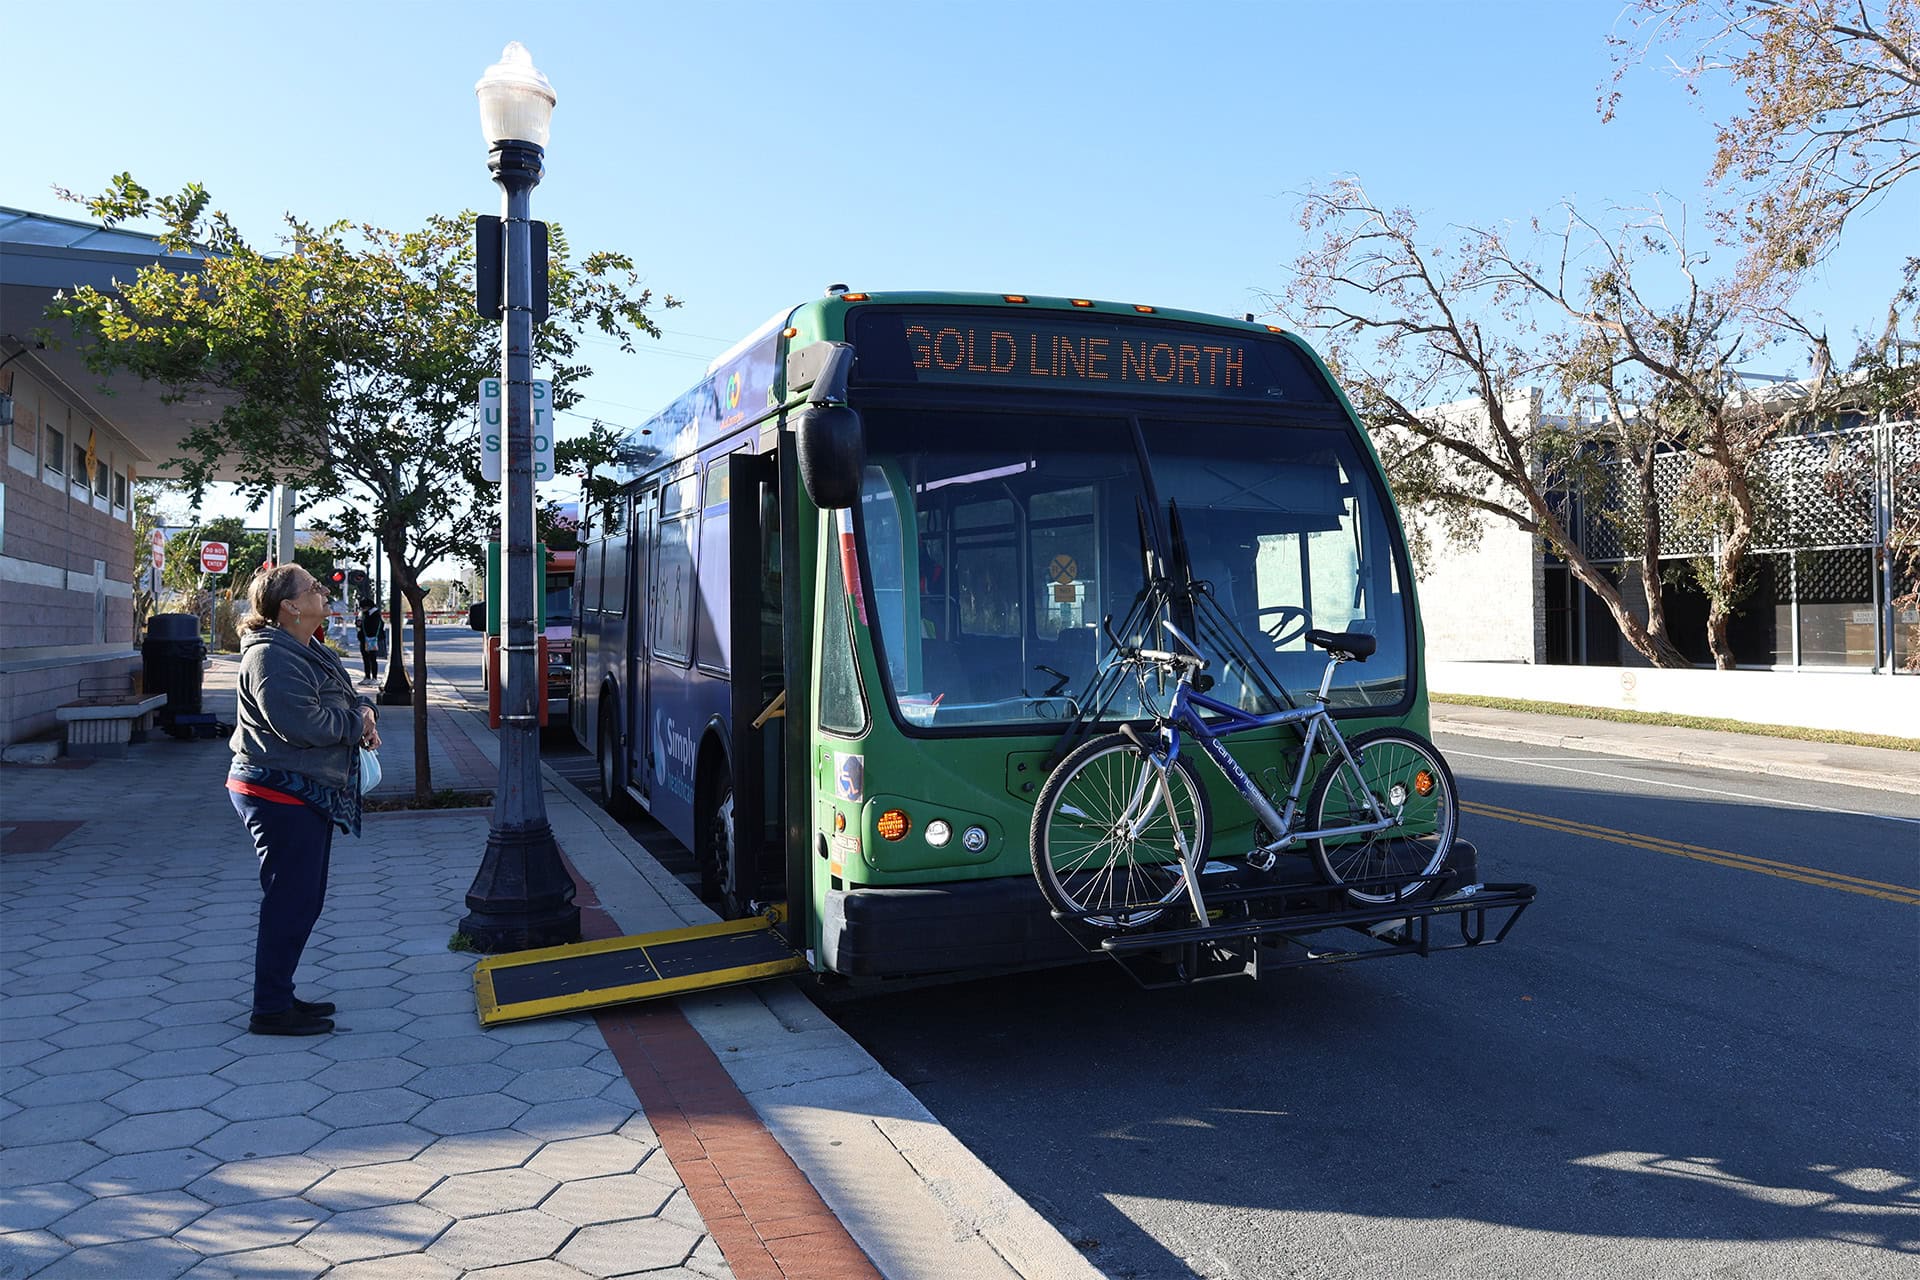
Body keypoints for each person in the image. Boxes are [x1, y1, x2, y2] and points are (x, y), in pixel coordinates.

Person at [226, 565, 380, 1036]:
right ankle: (270, 1009)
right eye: (311, 588)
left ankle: (281, 992)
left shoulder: (305, 646)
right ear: (289, 607)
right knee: (290, 901)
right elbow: (303, 724)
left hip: (301, 789)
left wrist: (363, 711)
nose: (321, 590)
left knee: (303, 899)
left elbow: (345, 697)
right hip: (277, 790)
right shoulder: (272, 657)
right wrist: (359, 725)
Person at [356, 601, 384, 686]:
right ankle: (367, 676)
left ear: (368, 607)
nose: (362, 609)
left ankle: (374, 677)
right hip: (364, 639)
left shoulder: (375, 614)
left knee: (372, 658)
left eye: (363, 607)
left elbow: (376, 626)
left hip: (372, 639)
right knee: (365, 658)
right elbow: (359, 624)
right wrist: (359, 624)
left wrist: (363, 624)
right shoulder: (363, 614)